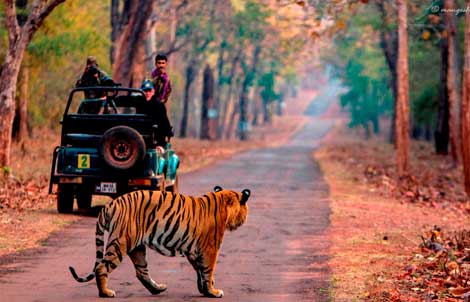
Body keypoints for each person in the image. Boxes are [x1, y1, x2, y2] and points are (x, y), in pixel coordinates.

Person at [141, 79, 173, 150]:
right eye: (145, 91)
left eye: (149, 91)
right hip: (140, 139)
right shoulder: (139, 102)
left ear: (153, 92)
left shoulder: (159, 105)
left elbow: (164, 121)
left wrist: (168, 132)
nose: (147, 93)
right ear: (142, 92)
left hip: (157, 138)